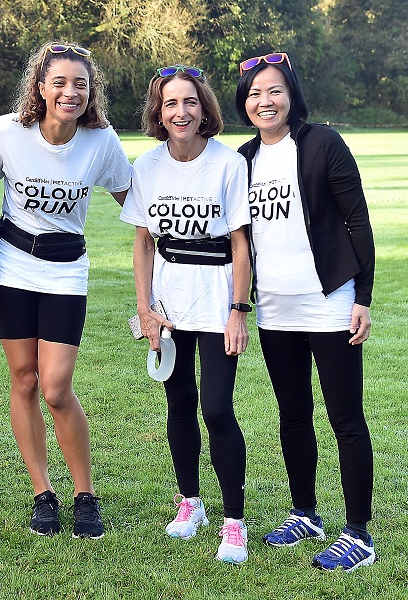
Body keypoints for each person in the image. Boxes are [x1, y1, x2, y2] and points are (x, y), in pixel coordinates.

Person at [234, 52, 376, 571]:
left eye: (273, 90)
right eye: (253, 93)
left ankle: (358, 534)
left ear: (291, 94)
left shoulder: (322, 143)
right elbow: (238, 240)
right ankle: (306, 513)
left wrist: (363, 296)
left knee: (345, 418)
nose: (264, 101)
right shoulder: (242, 159)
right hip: (275, 307)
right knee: (293, 415)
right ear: (243, 103)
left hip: (329, 301)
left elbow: (356, 220)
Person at [0, 42, 131, 539]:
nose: (71, 92)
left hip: (66, 269)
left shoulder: (100, 140)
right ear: (41, 87)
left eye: (81, 84)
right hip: (10, 266)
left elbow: (131, 196)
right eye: (61, 83)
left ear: (91, 93)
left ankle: (84, 494)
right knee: (24, 380)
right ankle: (42, 493)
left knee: (56, 387)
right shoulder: (8, 131)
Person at [120, 65, 251, 563]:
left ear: (204, 109)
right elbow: (143, 244)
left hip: (218, 301)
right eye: (171, 103)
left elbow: (241, 245)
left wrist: (239, 311)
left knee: (217, 408)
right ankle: (190, 503)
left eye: (190, 102)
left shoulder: (228, 164)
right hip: (169, 305)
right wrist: (145, 309)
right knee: (179, 406)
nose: (181, 112)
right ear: (159, 112)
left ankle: (233, 522)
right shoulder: (147, 167)